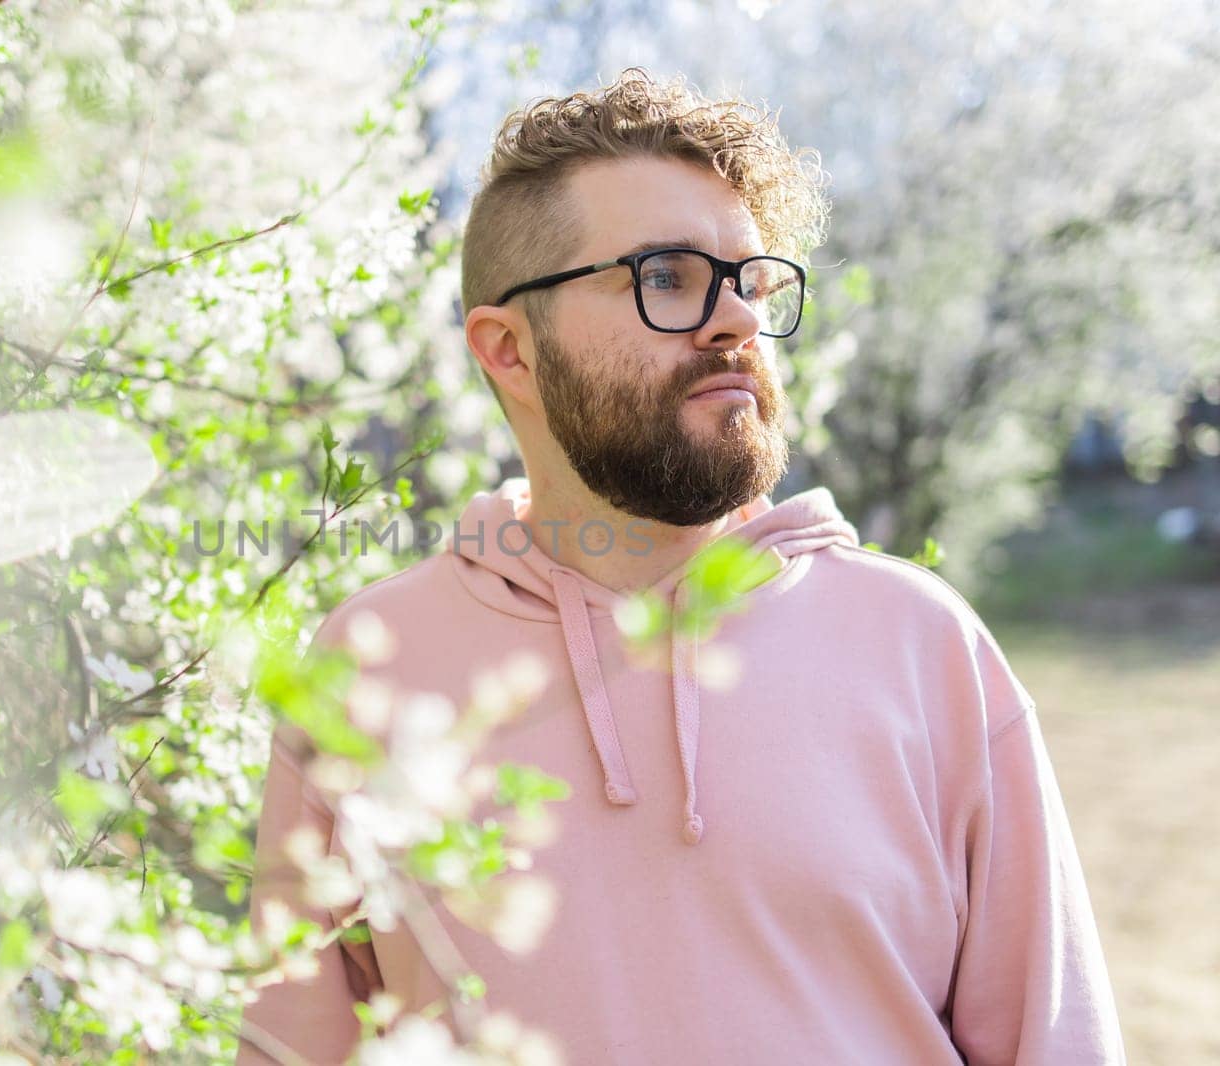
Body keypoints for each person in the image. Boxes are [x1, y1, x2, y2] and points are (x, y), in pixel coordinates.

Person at [235, 68, 1125, 1065]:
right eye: (666, 276)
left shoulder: (924, 647)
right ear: (508, 351)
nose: (737, 319)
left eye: (751, 280)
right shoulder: (369, 665)